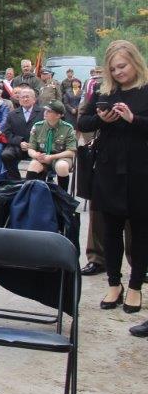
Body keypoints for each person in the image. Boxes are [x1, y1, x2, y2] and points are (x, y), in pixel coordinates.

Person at [77, 40, 148, 324]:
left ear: (135, 62)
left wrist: (134, 119)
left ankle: (135, 287)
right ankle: (114, 283)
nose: (119, 72)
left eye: (123, 66)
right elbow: (83, 123)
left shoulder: (145, 90)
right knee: (110, 228)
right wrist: (102, 119)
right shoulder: (105, 91)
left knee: (141, 230)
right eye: (114, 68)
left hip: (141, 169)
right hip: (107, 168)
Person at [26, 100, 77, 191]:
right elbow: (31, 149)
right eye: (45, 110)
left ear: (58, 115)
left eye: (49, 111)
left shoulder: (68, 128)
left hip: (60, 157)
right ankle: (32, 196)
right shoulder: (37, 126)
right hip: (42, 156)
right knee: (33, 165)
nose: (45, 113)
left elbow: (71, 152)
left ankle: (62, 197)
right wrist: (36, 155)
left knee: (62, 166)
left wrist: (52, 157)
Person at [0, 85, 44, 181]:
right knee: (6, 155)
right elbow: (7, 133)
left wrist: (33, 144)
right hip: (18, 146)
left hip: (38, 146)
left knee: (43, 157)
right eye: (22, 97)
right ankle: (16, 180)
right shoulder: (12, 114)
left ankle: (37, 181)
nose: (25, 99)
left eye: (28, 97)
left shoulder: (43, 113)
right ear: (19, 100)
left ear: (34, 99)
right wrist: (20, 142)